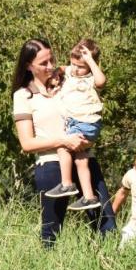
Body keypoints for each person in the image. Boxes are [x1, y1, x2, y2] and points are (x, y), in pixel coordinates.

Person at [11, 37, 115, 246]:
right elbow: (27, 144)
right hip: (50, 164)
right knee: (51, 232)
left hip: (85, 160)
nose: (50, 66)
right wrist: (62, 141)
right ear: (28, 66)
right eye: (43, 63)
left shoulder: (69, 78)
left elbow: (93, 79)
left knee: (106, 226)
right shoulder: (23, 96)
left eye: (51, 60)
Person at [45, 39, 106, 211]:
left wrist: (91, 62)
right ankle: (89, 197)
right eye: (74, 64)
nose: (76, 69)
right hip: (81, 124)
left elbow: (102, 81)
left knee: (63, 147)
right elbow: (65, 68)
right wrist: (57, 72)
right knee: (81, 159)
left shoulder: (90, 79)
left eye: (81, 66)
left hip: (84, 122)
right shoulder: (72, 71)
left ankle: (67, 184)